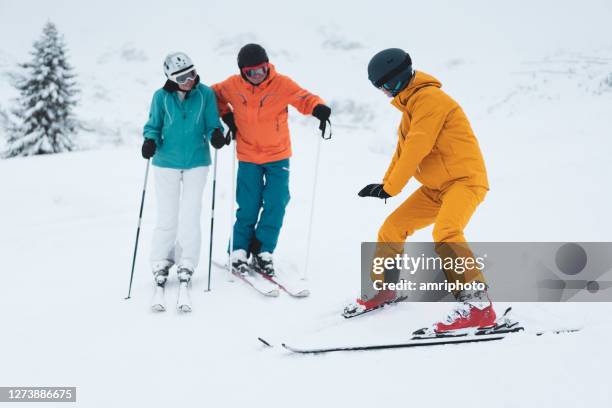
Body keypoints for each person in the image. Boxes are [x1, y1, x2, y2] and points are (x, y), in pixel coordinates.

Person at [344, 48, 494, 334]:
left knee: (447, 232)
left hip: (464, 181)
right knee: (392, 227)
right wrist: (385, 186)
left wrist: (393, 186)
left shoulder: (430, 100)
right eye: (380, 89)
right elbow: (401, 153)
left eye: (386, 87)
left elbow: (417, 148)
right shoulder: (410, 108)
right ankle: (385, 290)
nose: (385, 93)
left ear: (398, 79)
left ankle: (479, 307)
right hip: (436, 187)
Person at [211, 43, 331, 277]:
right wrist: (227, 117)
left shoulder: (281, 84)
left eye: (262, 69)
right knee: (248, 205)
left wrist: (318, 108)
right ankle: (238, 251)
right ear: (242, 71)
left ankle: (263, 250)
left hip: (278, 155)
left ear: (268, 66)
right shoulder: (232, 86)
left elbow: (304, 97)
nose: (258, 76)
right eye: (251, 72)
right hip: (248, 155)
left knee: (277, 202)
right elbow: (212, 95)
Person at [142, 52, 227, 288]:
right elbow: (153, 125)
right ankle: (161, 260)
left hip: (197, 162)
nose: (189, 80)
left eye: (191, 74)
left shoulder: (205, 94)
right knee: (167, 215)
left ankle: (187, 261)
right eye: (182, 78)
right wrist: (150, 140)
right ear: (171, 78)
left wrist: (216, 135)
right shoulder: (160, 97)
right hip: (166, 162)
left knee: (190, 214)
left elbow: (212, 123)